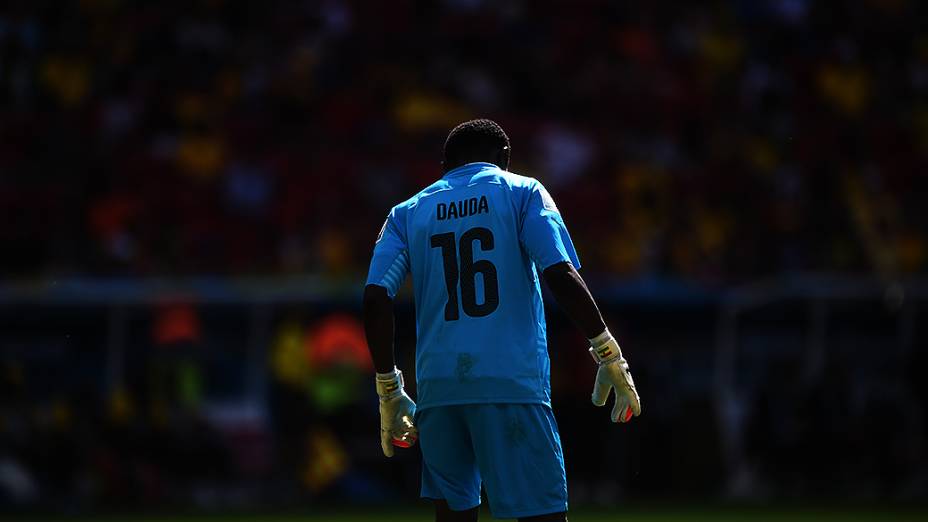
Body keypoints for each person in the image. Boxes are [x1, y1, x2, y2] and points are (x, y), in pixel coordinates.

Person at [363, 119, 641, 522]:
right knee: (541, 517)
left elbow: (375, 297)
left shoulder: (406, 211)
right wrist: (607, 351)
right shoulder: (523, 191)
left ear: (446, 164)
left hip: (439, 390)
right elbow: (559, 273)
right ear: (504, 159)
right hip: (511, 383)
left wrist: (388, 390)